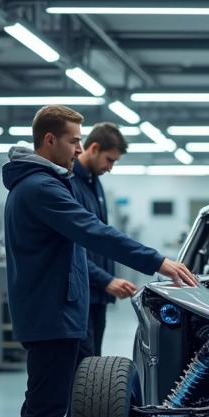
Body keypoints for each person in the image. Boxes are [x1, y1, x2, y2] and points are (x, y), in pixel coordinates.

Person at [2, 105, 197, 417]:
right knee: (45, 407)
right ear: (49, 140)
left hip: (62, 311)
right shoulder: (41, 188)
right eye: (73, 140)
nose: (77, 148)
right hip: (51, 314)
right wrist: (157, 261)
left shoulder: (50, 183)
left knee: (69, 403)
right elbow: (93, 232)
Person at [71, 122, 137, 360]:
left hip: (97, 296)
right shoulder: (71, 184)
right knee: (83, 364)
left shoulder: (94, 183)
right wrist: (106, 279)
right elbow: (73, 249)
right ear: (94, 148)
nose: (110, 168)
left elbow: (100, 237)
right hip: (81, 297)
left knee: (93, 363)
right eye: (110, 160)